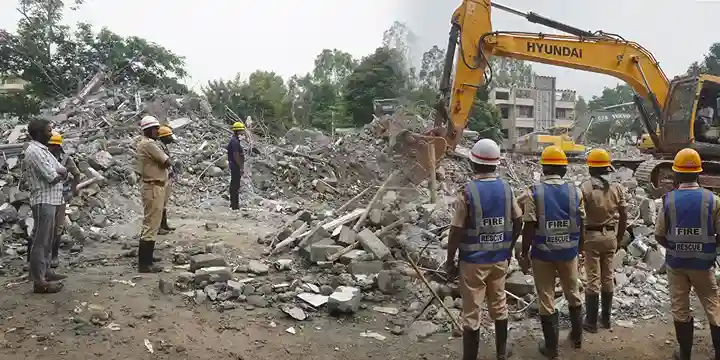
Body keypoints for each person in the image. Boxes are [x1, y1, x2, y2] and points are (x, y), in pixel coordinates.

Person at [446, 139, 522, 360]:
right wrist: (508, 247)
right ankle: (501, 353)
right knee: (499, 305)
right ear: (496, 164)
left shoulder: (468, 192)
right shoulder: (507, 189)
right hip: (499, 259)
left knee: (472, 311)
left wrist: (451, 259)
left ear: (473, 163)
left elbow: (455, 230)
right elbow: (518, 221)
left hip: (473, 262)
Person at [518, 145, 585, 359]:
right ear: (564, 169)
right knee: (573, 293)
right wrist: (579, 248)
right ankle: (577, 338)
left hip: (543, 255)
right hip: (569, 253)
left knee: (546, 298)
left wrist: (524, 253)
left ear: (544, 168)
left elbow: (528, 225)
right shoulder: (576, 191)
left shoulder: (533, 192)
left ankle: (551, 349)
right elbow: (581, 221)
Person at [654, 148, 720, 360]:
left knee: (680, 307)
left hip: (677, 263)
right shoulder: (713, 200)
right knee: (713, 304)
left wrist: (676, 247)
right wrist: (708, 249)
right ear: (698, 173)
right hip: (703, 263)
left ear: (677, 174)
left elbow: (659, 235)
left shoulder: (669, 200)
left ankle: (684, 354)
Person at [580, 149, 628, 333]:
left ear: (591, 168)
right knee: (608, 277)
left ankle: (591, 322)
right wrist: (618, 237)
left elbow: (579, 216)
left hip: (591, 237)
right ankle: (606, 319)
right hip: (610, 236)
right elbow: (624, 215)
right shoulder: (617, 187)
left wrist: (580, 241)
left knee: (592, 278)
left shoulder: (585, 188)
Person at [23, 118, 68, 293]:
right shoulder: (34, 151)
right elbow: (53, 176)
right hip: (43, 200)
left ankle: (46, 271)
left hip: (52, 199)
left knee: (48, 239)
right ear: (39, 133)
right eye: (48, 130)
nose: (51, 134)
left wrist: (60, 172)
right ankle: (39, 281)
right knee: (40, 241)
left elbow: (61, 169)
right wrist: (60, 173)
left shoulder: (44, 151)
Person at [135, 116, 170, 273]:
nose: (158, 131)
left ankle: (147, 258)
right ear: (147, 130)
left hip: (153, 186)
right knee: (151, 224)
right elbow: (166, 161)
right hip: (153, 186)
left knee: (151, 223)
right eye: (155, 128)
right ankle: (145, 263)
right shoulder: (149, 144)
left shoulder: (147, 143)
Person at [46, 131, 82, 268]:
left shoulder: (66, 159)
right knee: (43, 227)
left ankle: (54, 255)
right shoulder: (44, 157)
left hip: (60, 196)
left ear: (57, 146)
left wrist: (74, 190)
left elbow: (77, 174)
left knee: (58, 227)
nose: (49, 147)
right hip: (46, 195)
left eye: (52, 145)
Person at [156, 126, 177, 234]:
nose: (171, 139)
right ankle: (158, 227)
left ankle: (163, 225)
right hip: (162, 177)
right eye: (169, 136)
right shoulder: (158, 146)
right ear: (163, 137)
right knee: (159, 203)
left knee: (163, 203)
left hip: (166, 176)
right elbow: (164, 161)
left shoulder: (162, 145)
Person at [227, 121, 246, 210]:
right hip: (235, 166)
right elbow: (236, 155)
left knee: (235, 185)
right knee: (235, 185)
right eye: (242, 131)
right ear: (237, 131)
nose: (243, 133)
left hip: (234, 165)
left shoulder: (235, 140)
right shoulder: (234, 141)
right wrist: (241, 167)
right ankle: (234, 206)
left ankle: (233, 204)